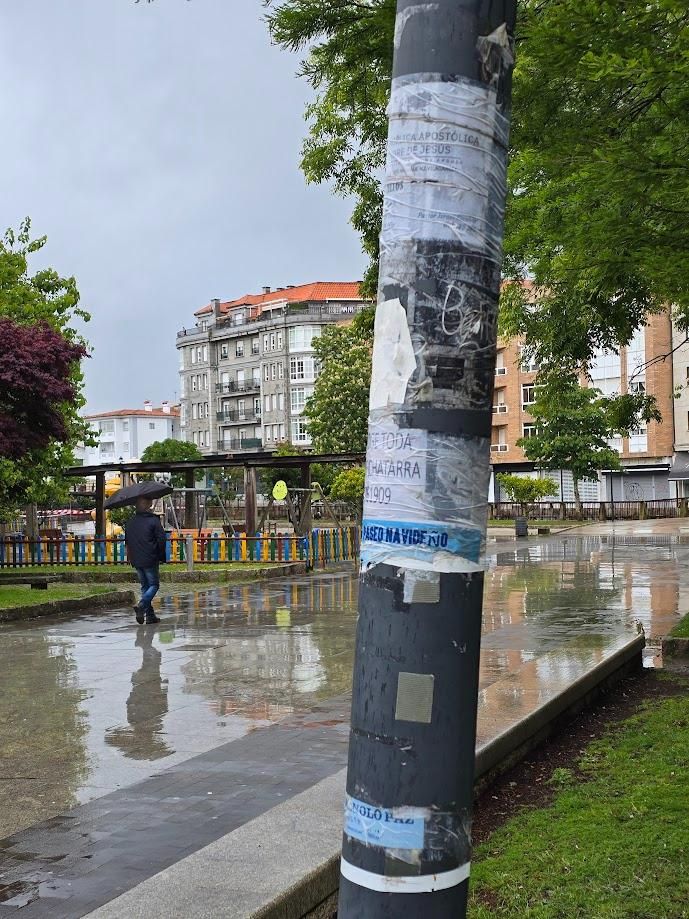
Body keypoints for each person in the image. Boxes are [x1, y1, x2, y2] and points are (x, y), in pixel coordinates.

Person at [124, 497, 167, 625]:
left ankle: (150, 615)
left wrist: (130, 557)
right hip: (150, 557)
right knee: (154, 585)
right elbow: (161, 540)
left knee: (144, 586)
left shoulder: (130, 522)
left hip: (136, 559)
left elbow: (127, 542)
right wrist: (159, 554)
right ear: (148, 505)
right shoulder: (153, 520)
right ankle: (142, 605)